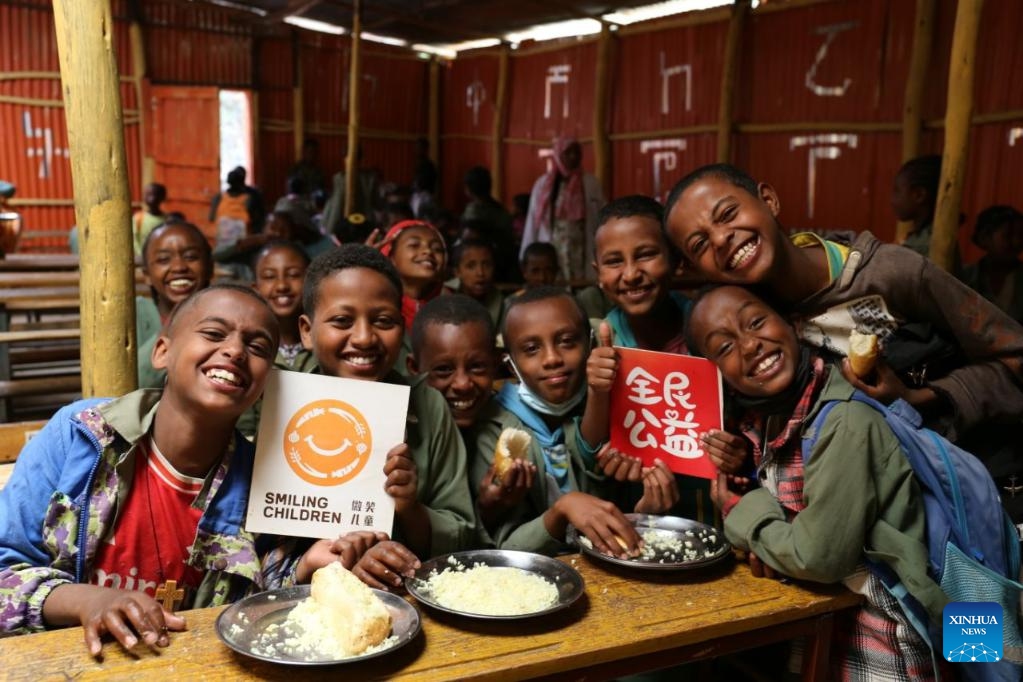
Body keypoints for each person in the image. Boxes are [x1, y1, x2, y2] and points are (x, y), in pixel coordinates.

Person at [0, 285, 393, 651]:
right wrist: (88, 600)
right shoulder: (81, 438)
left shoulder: (264, 477)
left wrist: (306, 567)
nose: (236, 351)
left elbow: (252, 603)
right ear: (162, 352)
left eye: (257, 346)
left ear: (265, 384)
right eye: (214, 333)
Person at [687, 285, 945, 680]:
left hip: (883, 646)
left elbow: (820, 558)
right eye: (724, 348)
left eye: (756, 322)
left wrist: (742, 513)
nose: (750, 345)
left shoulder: (844, 420)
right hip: (825, 635)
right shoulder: (774, 419)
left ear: (793, 324)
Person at [662, 163, 1023, 443]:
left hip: (975, 479)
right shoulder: (752, 324)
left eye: (727, 215)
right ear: (697, 269)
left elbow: (1014, 355)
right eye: (700, 245)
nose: (722, 238)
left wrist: (920, 397)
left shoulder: (891, 273)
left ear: (768, 201)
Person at [297, 244, 476, 566]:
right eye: (342, 320)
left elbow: (463, 535)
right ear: (307, 332)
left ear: (403, 327)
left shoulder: (428, 405)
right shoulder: (286, 404)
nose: (364, 337)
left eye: (383, 320)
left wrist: (408, 507)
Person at [470, 287, 670, 556]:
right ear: (510, 362)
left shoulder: (626, 404)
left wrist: (645, 512)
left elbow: (633, 508)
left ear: (589, 343)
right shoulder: (494, 430)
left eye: (567, 341)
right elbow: (504, 545)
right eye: (531, 349)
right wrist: (562, 510)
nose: (552, 359)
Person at [583, 195, 697, 520]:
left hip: (709, 505)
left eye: (646, 255)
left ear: (676, 259)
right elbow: (590, 450)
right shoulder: (598, 339)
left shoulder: (708, 327)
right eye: (614, 261)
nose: (631, 274)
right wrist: (597, 389)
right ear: (598, 273)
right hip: (632, 508)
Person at [137, 221, 213, 388]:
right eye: (163, 259)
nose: (179, 267)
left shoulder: (228, 313)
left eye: (191, 256)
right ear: (147, 275)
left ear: (210, 266)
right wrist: (176, 318)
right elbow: (129, 384)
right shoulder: (134, 315)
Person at [408, 294, 499, 433]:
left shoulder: (514, 427)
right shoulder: (398, 433)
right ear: (414, 368)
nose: (462, 384)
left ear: (495, 364)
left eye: (476, 367)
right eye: (444, 369)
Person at [520, 136, 605, 283]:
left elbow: (602, 217)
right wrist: (527, 252)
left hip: (581, 246)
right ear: (558, 155)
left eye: (576, 152)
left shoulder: (591, 183)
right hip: (552, 246)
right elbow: (533, 220)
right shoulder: (543, 184)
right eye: (568, 153)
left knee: (581, 284)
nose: (573, 156)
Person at [891, 155, 961, 272]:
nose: (892, 200)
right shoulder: (917, 237)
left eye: (897, 191)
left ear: (919, 195)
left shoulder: (927, 246)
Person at [961, 205, 1023, 323]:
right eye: (1007, 236)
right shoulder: (966, 277)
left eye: (1021, 236)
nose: (1016, 242)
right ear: (984, 238)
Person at [462, 166, 519, 282]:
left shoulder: (473, 210)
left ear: (468, 189)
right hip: (505, 263)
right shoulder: (501, 210)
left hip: (488, 262)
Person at [444, 238, 504, 328]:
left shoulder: (501, 301)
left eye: (487, 265)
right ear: (457, 272)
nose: (480, 273)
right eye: (471, 266)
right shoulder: (444, 295)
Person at [209, 166, 265, 245]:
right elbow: (258, 221)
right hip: (243, 245)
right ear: (243, 181)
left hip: (223, 244)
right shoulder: (250, 198)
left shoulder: (219, 198)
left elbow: (211, 218)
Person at [133, 183, 167, 258]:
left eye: (154, 194)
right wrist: (141, 255)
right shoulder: (138, 218)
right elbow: (134, 240)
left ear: (162, 197)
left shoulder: (166, 220)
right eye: (148, 194)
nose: (151, 198)